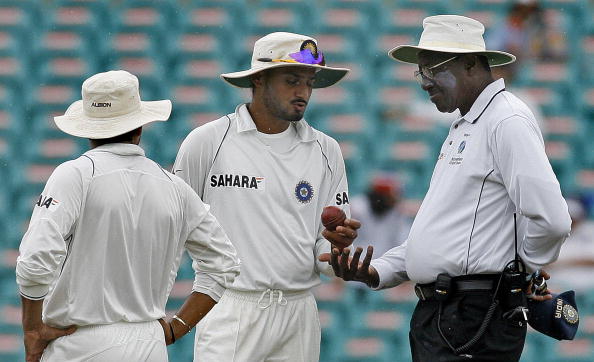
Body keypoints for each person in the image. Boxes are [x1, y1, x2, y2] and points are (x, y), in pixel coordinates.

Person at [322, 15, 571, 361]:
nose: (424, 81)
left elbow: (554, 220)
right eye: (420, 71)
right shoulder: (465, 124)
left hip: (473, 315)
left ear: (470, 63)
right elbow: (443, 238)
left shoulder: (507, 120)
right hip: (450, 314)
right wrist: (379, 270)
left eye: (432, 69)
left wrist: (522, 269)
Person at [15, 70, 240, 362]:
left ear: (86, 128)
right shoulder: (175, 187)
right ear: (141, 126)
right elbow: (224, 264)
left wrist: (32, 330)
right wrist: (177, 328)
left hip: (80, 342)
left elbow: (35, 262)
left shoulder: (75, 175)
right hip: (149, 343)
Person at [173, 32, 360, 362]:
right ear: (258, 79)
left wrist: (335, 252)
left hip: (299, 310)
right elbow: (174, 226)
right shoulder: (207, 142)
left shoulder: (327, 150)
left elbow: (322, 245)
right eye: (291, 80)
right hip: (231, 305)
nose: (303, 93)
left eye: (309, 83)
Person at [350, 173, 412, 256]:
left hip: (385, 262)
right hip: (358, 259)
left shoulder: (398, 212)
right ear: (380, 195)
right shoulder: (358, 206)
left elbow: (403, 241)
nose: (393, 199)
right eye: (389, 196)